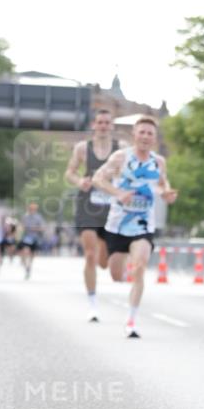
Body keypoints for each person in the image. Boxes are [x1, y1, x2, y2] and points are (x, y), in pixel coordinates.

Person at [92, 117, 178, 338]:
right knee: (116, 275)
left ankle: (131, 320)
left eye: (150, 133)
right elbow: (98, 179)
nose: (146, 137)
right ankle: (107, 250)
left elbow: (160, 184)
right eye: (142, 132)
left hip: (143, 224)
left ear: (154, 138)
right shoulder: (121, 157)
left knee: (140, 266)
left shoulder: (158, 162)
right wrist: (119, 193)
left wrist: (166, 193)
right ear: (134, 135)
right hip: (118, 225)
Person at [64, 108, 124, 321]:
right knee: (89, 255)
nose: (103, 126)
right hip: (87, 206)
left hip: (111, 209)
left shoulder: (121, 150)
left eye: (107, 123)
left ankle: (103, 248)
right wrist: (80, 181)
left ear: (112, 126)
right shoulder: (82, 148)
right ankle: (92, 303)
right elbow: (69, 172)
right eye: (100, 122)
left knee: (104, 262)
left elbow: (128, 173)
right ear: (94, 125)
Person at [17, 203, 46, 279]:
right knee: (24, 252)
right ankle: (26, 266)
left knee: (32, 255)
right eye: (30, 209)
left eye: (33, 209)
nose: (32, 210)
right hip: (26, 238)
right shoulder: (25, 217)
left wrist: (35, 229)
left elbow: (43, 228)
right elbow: (21, 226)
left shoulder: (39, 217)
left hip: (35, 238)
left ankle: (28, 267)